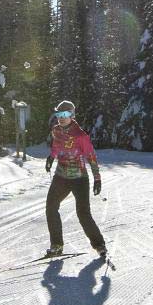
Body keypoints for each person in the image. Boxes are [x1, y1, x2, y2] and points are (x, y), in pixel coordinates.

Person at [41, 99, 106, 260]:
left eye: (65, 114)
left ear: (72, 115)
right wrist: (51, 157)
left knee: (83, 213)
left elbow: (91, 156)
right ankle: (57, 246)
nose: (61, 118)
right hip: (61, 177)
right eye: (58, 114)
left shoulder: (81, 136)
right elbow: (57, 146)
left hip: (79, 179)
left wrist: (97, 178)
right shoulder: (56, 130)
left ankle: (99, 245)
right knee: (51, 207)